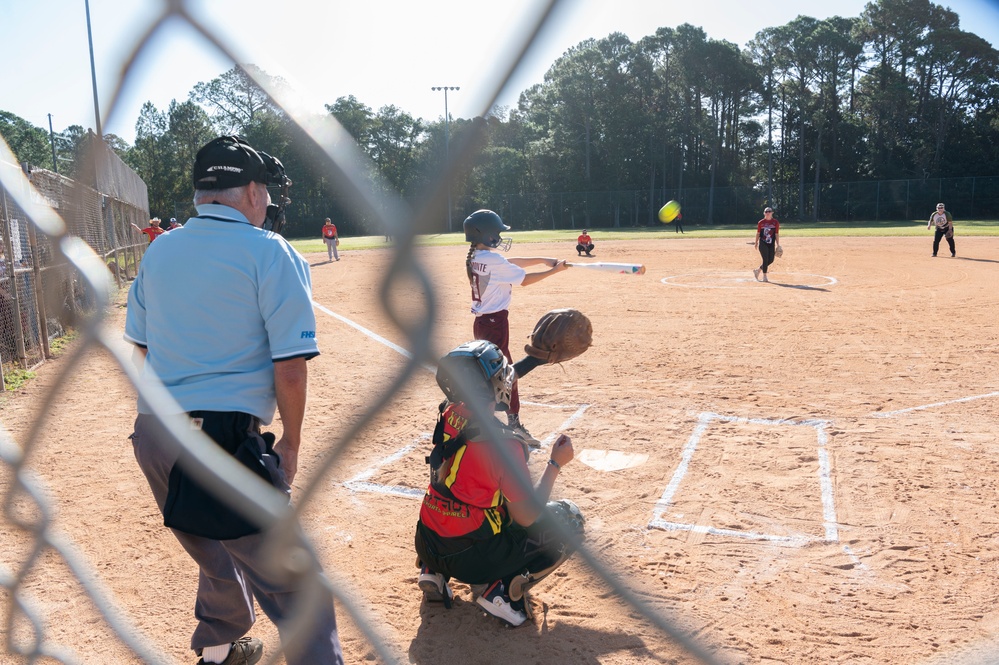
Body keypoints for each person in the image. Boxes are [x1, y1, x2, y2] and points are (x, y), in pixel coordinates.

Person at [124, 135, 344, 665]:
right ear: (248, 191)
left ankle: (220, 650)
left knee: (214, 543)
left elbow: (142, 344)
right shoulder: (270, 251)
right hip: (222, 437)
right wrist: (290, 441)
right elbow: (289, 369)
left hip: (154, 433)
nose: (267, 201)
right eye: (264, 190)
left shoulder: (160, 249)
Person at [414, 340, 585, 627]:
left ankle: (432, 571)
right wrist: (555, 464)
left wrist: (533, 361)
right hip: (472, 559)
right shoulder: (505, 444)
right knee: (569, 519)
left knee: (466, 499)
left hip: (427, 540)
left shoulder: (448, 412)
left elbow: (486, 385)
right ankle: (504, 593)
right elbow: (529, 515)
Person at [463, 209, 569, 446]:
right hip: (495, 323)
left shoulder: (476, 256)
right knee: (509, 374)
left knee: (490, 373)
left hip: (482, 323)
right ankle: (514, 425)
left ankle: (486, 418)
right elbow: (524, 279)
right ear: (487, 234)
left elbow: (508, 263)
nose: (499, 235)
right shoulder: (492, 260)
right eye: (497, 231)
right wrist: (554, 270)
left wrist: (542, 259)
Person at [753, 207, 781, 283]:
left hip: (771, 244)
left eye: (769, 211)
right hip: (763, 243)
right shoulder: (761, 222)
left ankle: (758, 270)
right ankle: (764, 276)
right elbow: (758, 233)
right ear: (764, 213)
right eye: (766, 211)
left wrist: (778, 244)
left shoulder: (775, 222)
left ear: (772, 213)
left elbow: (776, 234)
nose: (767, 213)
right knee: (765, 259)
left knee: (771, 260)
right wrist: (756, 243)